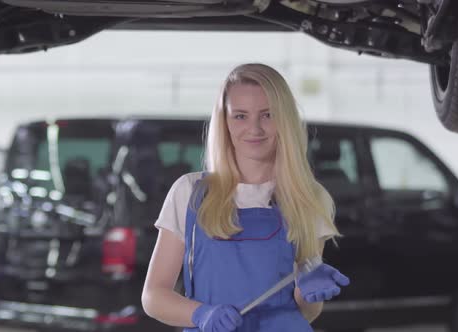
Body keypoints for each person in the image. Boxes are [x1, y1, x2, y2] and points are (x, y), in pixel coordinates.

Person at [141, 63, 350, 332]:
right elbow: (154, 296)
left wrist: (308, 291)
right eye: (240, 116)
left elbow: (306, 312)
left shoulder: (309, 197)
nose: (255, 129)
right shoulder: (190, 192)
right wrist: (200, 314)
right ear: (224, 122)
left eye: (268, 115)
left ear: (285, 119)